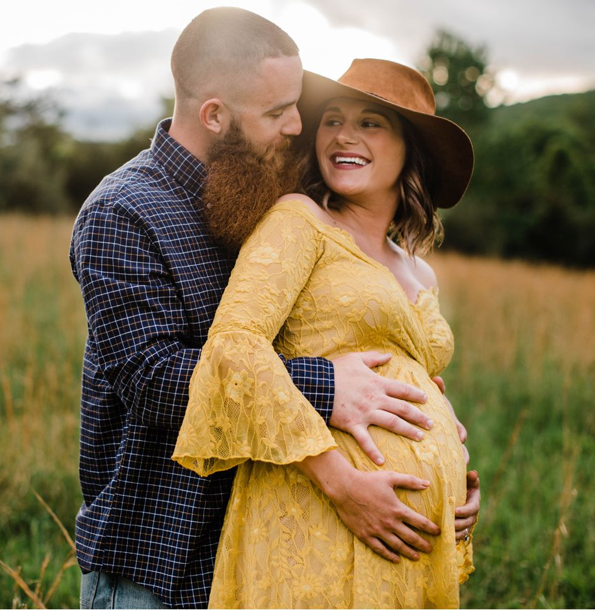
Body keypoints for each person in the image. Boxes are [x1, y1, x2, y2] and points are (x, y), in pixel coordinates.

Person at [69, 8, 479, 609]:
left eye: (297, 106)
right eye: (278, 111)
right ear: (215, 115)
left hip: (269, 531)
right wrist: (328, 388)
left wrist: (430, 422)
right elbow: (152, 379)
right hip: (161, 552)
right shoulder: (125, 212)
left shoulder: (260, 184)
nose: (297, 127)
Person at [172, 58, 477, 607]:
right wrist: (344, 484)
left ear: (411, 148)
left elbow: (415, 385)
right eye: (332, 119)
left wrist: (455, 479)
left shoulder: (418, 268)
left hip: (405, 536)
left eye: (370, 123)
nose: (343, 135)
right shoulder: (300, 220)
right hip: (318, 511)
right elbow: (233, 348)